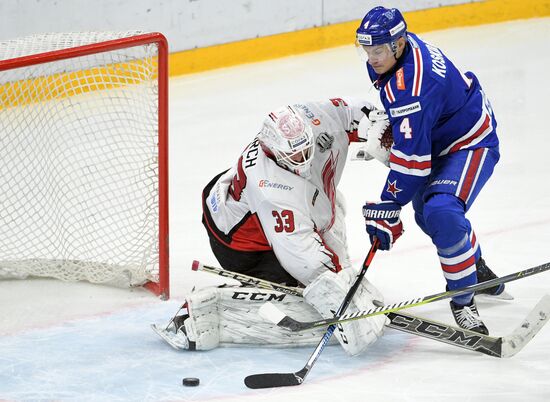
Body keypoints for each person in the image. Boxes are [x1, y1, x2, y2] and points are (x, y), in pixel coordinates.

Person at [153, 98, 388, 354]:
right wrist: (341, 293)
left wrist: (386, 134)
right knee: (302, 292)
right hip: (240, 244)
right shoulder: (273, 192)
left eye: (305, 149)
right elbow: (307, 263)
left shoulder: (311, 117)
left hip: (237, 202)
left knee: (331, 206)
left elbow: (355, 115)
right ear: (271, 150)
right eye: (293, 155)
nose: (302, 159)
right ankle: (200, 312)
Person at [355, 6, 510, 335]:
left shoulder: (414, 87)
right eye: (366, 50)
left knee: (441, 210)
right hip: (442, 136)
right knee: (428, 215)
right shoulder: (397, 56)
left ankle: (462, 300)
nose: (371, 58)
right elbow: (409, 125)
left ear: (398, 44)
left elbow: (413, 162)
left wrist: (388, 204)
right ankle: (475, 267)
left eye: (378, 50)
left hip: (470, 141)